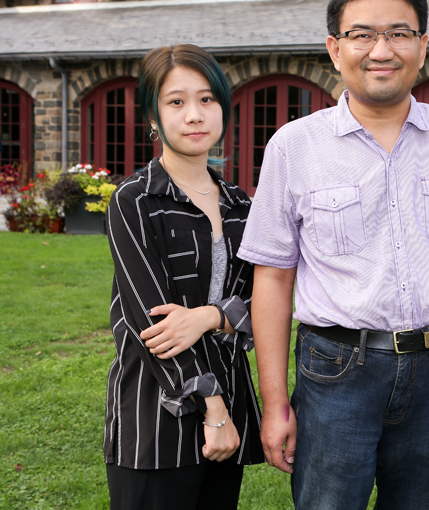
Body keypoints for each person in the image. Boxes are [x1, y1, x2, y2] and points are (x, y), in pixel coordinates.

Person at [237, 0, 429, 510]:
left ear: (422, 46)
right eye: (362, 35)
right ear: (335, 48)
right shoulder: (294, 147)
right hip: (335, 374)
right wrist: (276, 404)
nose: (382, 49)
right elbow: (274, 277)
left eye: (400, 33)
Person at [103, 44, 264, 510]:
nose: (194, 114)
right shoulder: (135, 201)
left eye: (207, 99)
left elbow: (264, 306)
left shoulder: (243, 207)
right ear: (153, 116)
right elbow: (150, 321)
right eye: (176, 102)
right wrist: (212, 407)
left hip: (229, 412)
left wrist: (209, 316)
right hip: (155, 417)